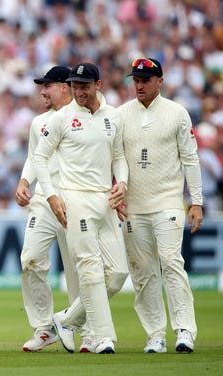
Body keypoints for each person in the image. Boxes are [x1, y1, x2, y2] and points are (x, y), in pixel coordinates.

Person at [33, 62, 129, 354]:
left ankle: (68, 319)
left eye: (84, 86)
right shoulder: (62, 118)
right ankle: (102, 337)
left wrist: (122, 183)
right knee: (89, 268)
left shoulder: (113, 116)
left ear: (98, 85)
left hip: (105, 199)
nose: (79, 92)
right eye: (75, 86)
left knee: (117, 274)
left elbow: (119, 156)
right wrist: (51, 195)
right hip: (75, 198)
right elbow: (40, 158)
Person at [118, 57, 203, 353]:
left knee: (170, 261)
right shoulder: (121, 114)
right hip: (133, 206)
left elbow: (190, 158)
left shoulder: (177, 113)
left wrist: (197, 201)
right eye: (136, 80)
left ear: (160, 81)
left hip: (168, 201)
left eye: (145, 80)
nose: (139, 85)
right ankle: (155, 334)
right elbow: (115, 159)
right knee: (142, 272)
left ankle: (184, 331)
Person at [14, 66, 80, 352]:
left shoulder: (82, 117)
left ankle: (81, 326)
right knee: (30, 259)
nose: (42, 91)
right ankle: (43, 328)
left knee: (79, 268)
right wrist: (24, 181)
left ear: (64, 87)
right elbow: (33, 157)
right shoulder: (38, 122)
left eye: (48, 86)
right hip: (43, 201)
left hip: (75, 201)